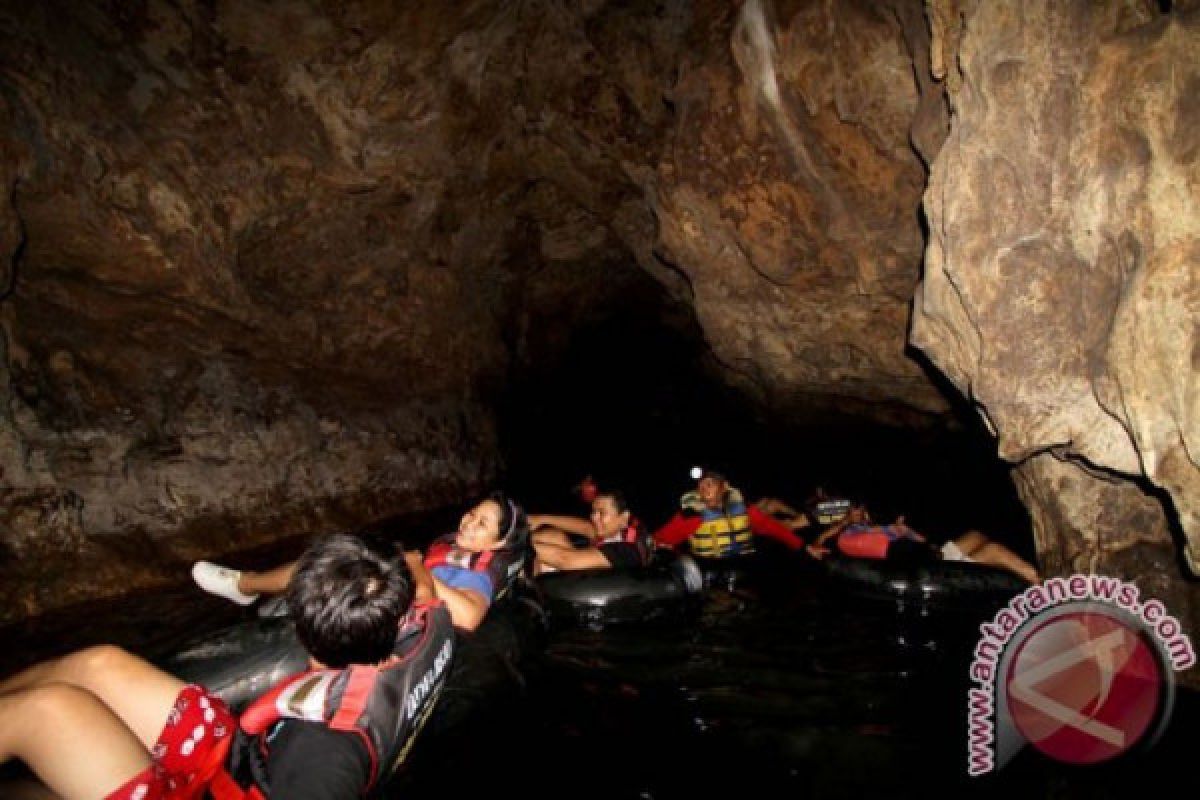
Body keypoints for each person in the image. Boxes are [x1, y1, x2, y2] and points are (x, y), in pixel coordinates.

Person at [0, 533, 455, 799]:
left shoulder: (322, 753)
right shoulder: (428, 626)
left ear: (301, 635)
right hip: (234, 760)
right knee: (98, 664)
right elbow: (409, 573)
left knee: (49, 710)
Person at [192, 492, 530, 632]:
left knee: (334, 563)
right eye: (471, 514)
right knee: (335, 553)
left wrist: (415, 566)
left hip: (397, 608)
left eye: (481, 524)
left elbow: (469, 617)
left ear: (498, 542)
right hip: (397, 588)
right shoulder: (452, 547)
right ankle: (247, 586)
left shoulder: (478, 574)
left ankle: (245, 584)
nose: (468, 523)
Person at [808, 504, 1039, 583]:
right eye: (855, 510)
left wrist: (905, 530)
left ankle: (1012, 570)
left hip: (933, 555)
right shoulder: (851, 536)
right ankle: (1038, 581)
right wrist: (845, 522)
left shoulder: (872, 529)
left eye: (859, 509)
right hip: (935, 569)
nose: (857, 512)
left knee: (975, 536)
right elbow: (822, 541)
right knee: (992, 550)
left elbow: (921, 541)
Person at [653, 467, 805, 558]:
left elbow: (772, 528)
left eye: (709, 484)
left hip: (744, 568)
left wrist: (804, 547)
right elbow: (661, 538)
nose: (703, 488)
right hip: (710, 571)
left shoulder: (744, 509)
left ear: (724, 487)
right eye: (700, 486)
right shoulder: (692, 515)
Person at [528, 488, 652, 574]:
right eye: (594, 512)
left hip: (596, 601)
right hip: (585, 580)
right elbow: (585, 527)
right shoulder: (618, 531)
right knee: (552, 536)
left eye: (602, 513)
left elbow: (565, 559)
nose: (594, 517)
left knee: (539, 553)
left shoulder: (628, 551)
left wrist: (514, 547)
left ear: (624, 517)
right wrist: (540, 519)